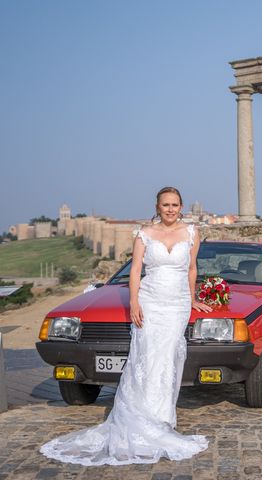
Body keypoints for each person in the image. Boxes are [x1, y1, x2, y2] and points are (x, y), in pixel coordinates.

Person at [40, 186, 212, 465]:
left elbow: (191, 269)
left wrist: (192, 300)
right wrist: (134, 302)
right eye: (165, 204)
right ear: (157, 207)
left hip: (177, 304)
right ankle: (141, 416)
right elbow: (135, 270)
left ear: (182, 207)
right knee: (145, 356)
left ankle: (161, 418)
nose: (170, 209)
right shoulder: (144, 233)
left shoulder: (192, 232)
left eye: (175, 204)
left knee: (167, 357)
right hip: (150, 300)